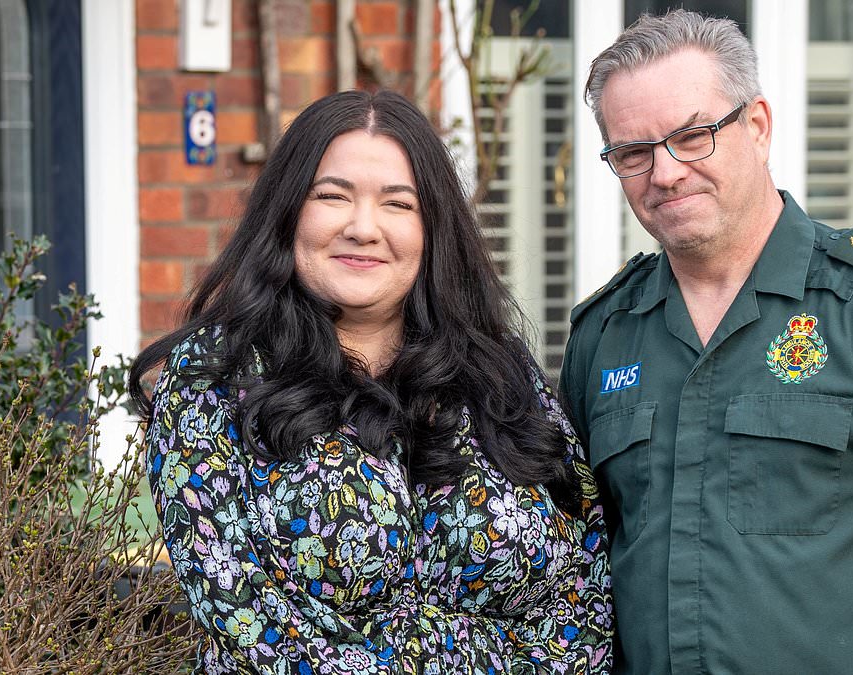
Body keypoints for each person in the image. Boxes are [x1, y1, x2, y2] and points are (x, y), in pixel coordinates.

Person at [561, 10, 853, 674]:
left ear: (757, 125)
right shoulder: (605, 337)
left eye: (693, 135)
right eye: (633, 153)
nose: (664, 172)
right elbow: (582, 549)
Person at [129, 90, 613, 675]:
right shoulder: (213, 379)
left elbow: (586, 589)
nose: (363, 227)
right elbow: (245, 622)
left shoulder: (500, 373)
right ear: (286, 212)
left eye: (398, 204)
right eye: (331, 196)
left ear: (433, 227)